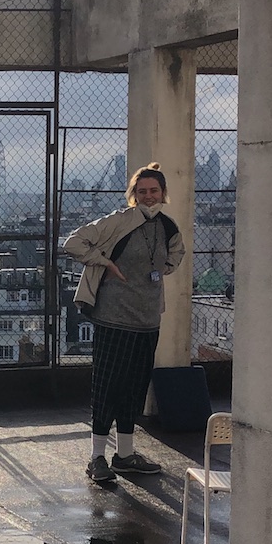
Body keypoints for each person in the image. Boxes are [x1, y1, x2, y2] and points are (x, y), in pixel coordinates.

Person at [63, 162, 185, 483]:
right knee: (107, 385)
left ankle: (125, 455)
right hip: (113, 318)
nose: (148, 196)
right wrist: (105, 263)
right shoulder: (118, 222)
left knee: (134, 388)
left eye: (153, 191)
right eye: (142, 191)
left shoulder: (167, 226)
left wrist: (160, 272)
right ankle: (96, 458)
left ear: (163, 193)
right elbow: (73, 242)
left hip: (147, 320)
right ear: (133, 195)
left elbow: (177, 254)